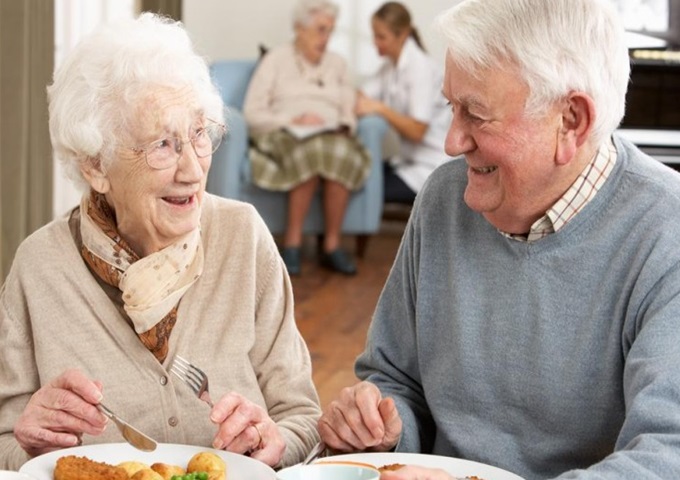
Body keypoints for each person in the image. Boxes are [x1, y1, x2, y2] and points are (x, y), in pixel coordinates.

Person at [318, 0, 680, 478]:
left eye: (476, 114)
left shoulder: (665, 231)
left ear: (570, 120)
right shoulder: (444, 197)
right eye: (452, 106)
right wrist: (384, 427)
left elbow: (666, 456)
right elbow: (396, 379)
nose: (452, 141)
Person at [0, 13, 321, 470]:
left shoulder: (242, 237)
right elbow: (5, 442)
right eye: (163, 145)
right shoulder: (40, 267)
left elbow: (302, 418)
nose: (192, 170)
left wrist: (276, 442)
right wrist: (33, 449)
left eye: (198, 135)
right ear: (95, 165)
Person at [243, 0, 370, 277]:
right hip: (284, 134)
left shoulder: (338, 64)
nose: (326, 38)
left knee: (338, 152)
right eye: (321, 30)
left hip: (330, 135)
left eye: (331, 31)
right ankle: (292, 243)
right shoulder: (275, 60)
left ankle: (332, 245)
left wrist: (342, 125)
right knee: (312, 151)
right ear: (299, 28)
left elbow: (349, 109)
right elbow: (252, 112)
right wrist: (291, 121)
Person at [356, 2, 451, 205]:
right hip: (408, 162)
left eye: (381, 37)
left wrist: (380, 108)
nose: (375, 43)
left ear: (402, 34)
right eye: (374, 36)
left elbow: (417, 130)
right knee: (356, 172)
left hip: (431, 165)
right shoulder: (390, 67)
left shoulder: (420, 68)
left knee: (364, 187)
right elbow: (361, 96)